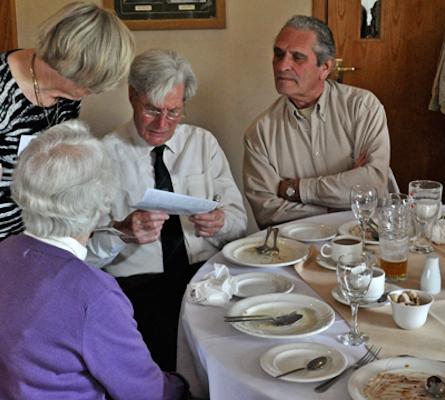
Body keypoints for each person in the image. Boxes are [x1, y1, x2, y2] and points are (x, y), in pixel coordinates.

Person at [0, 120, 188, 400]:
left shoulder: (6, 250)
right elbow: (146, 393)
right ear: (100, 204)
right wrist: (190, 385)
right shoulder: (93, 294)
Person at [88, 49, 247, 371]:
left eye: (174, 113)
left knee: (244, 346)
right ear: (132, 96)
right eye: (152, 110)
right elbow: (85, 254)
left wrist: (220, 222)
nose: (163, 124)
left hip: (206, 276)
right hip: (140, 286)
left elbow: (240, 223)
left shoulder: (203, 144)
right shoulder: (101, 156)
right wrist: (122, 232)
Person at [0, 1, 135, 241]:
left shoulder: (68, 97)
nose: (93, 91)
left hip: (37, 238)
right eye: (89, 82)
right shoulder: (4, 89)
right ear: (68, 60)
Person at [243, 15, 390, 228]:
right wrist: (336, 205)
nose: (282, 65)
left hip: (367, 234)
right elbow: (268, 212)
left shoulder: (362, 107)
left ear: (325, 68)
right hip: (297, 245)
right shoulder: (259, 133)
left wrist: (295, 190)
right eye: (278, 54)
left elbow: (372, 185)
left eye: (297, 57)